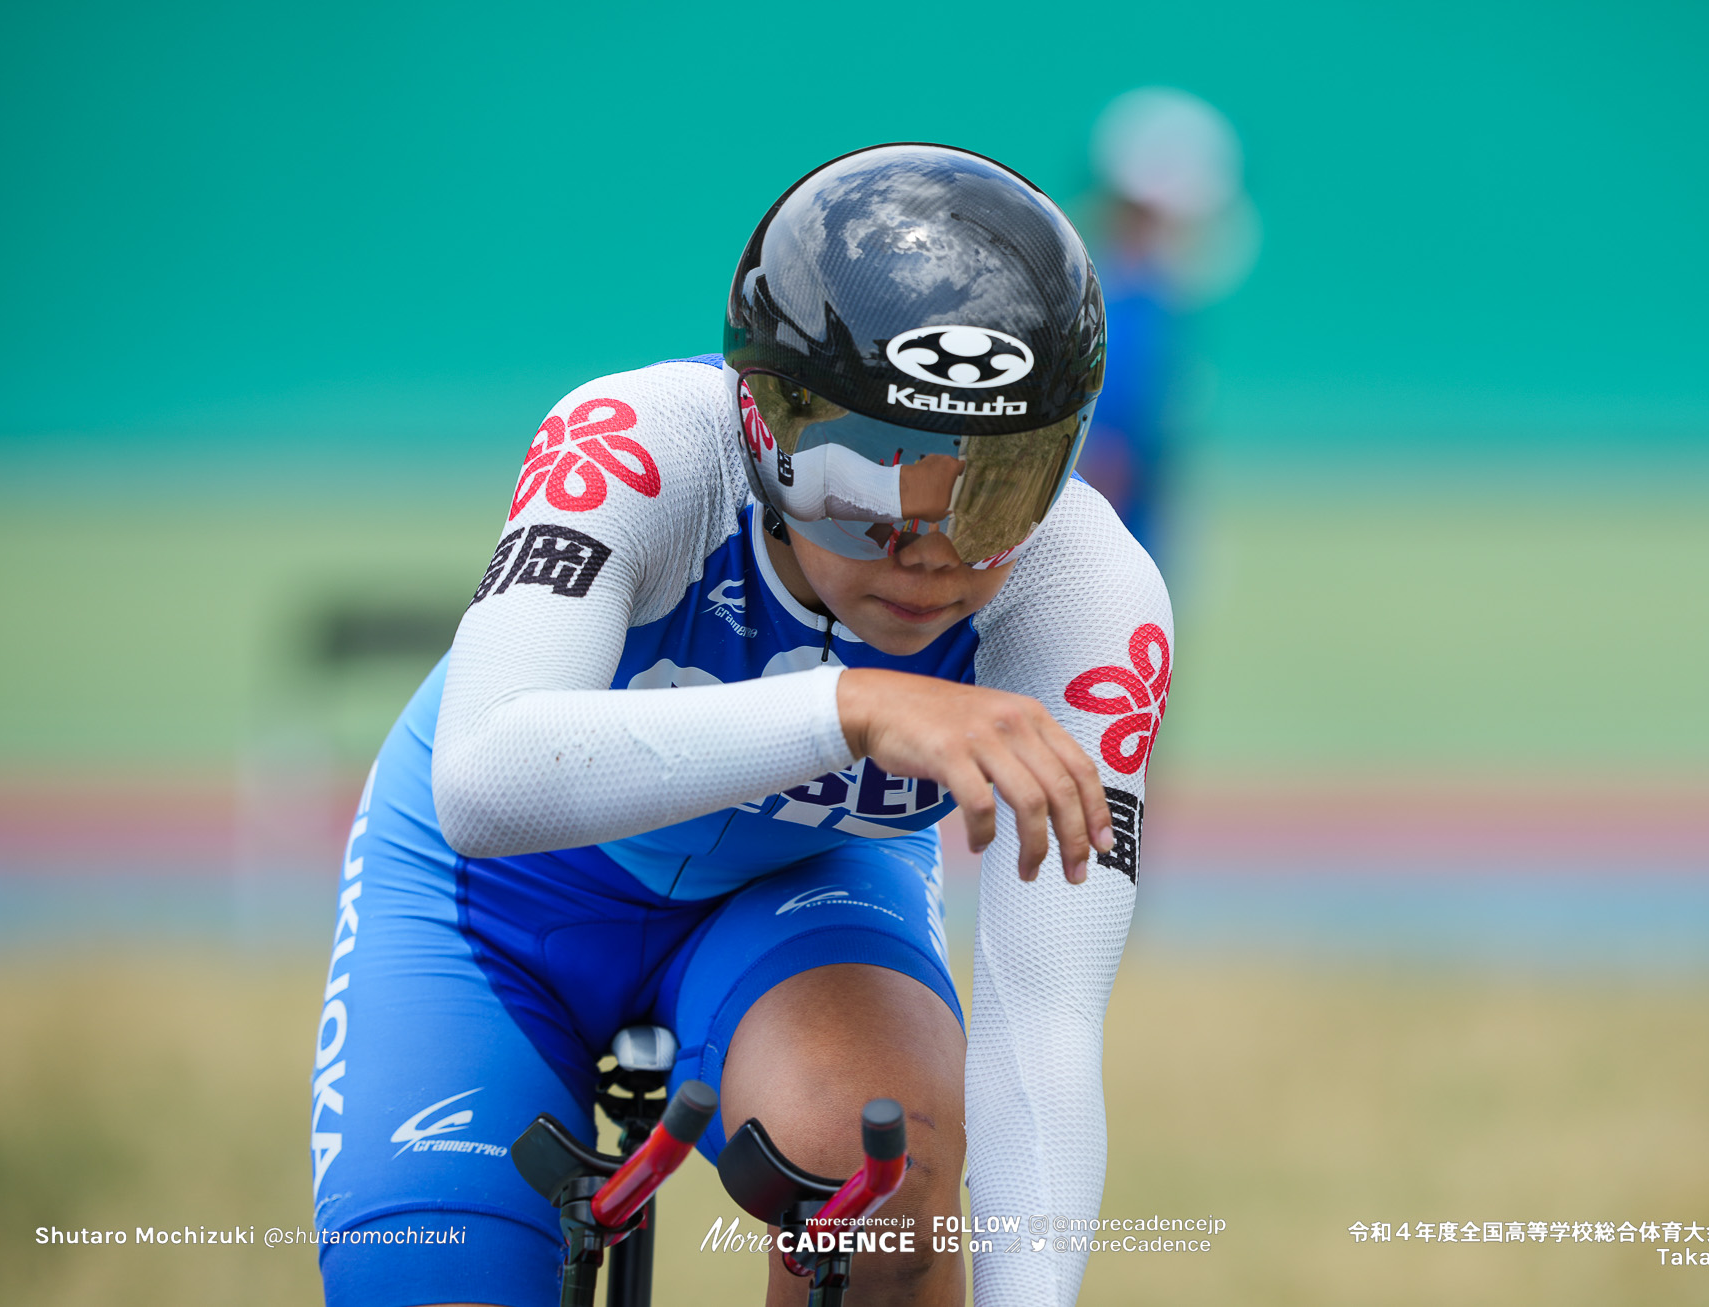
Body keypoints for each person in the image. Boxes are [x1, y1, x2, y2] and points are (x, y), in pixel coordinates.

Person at [308, 143, 1172, 1307]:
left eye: (997, 488)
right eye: (868, 483)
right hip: (497, 897)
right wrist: (853, 705)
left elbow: (1044, 1019)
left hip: (796, 895)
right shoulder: (642, 442)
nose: (931, 550)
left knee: (890, 1170)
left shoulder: (1083, 587)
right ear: (764, 426)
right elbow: (483, 782)